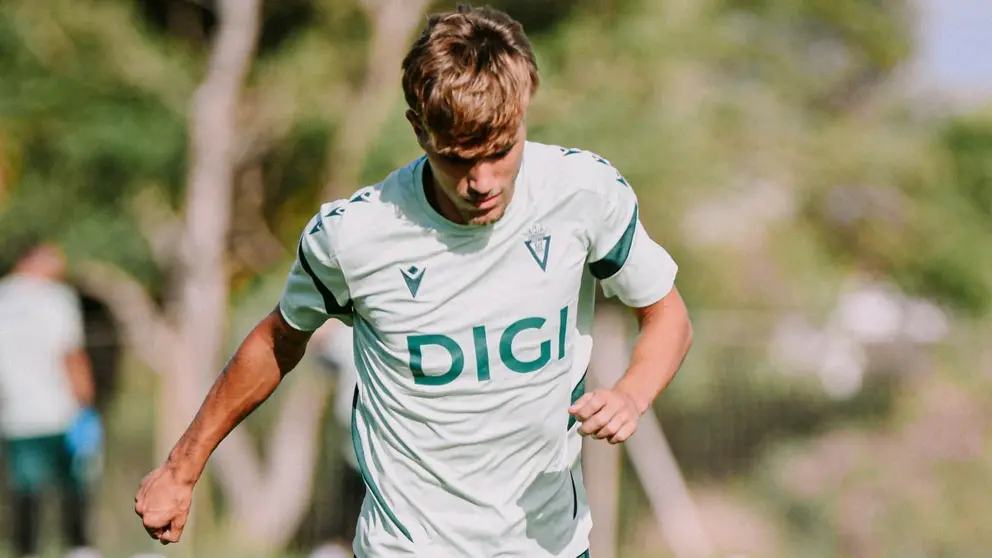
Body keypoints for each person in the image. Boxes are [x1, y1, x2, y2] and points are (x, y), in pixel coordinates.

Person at [134, 4, 693, 557]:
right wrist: (181, 470)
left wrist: (631, 393)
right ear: (418, 129)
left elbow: (667, 314)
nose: (482, 181)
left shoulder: (583, 192)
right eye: (457, 159)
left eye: (500, 151)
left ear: (524, 113)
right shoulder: (353, 237)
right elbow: (279, 339)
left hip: (549, 545)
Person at [0, 239, 102, 558]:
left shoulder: (2, 298)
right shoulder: (56, 298)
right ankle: (79, 551)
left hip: (16, 417)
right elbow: (71, 355)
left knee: (26, 493)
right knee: (75, 489)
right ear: (33, 258)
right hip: (62, 413)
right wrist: (87, 407)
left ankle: (25, 552)